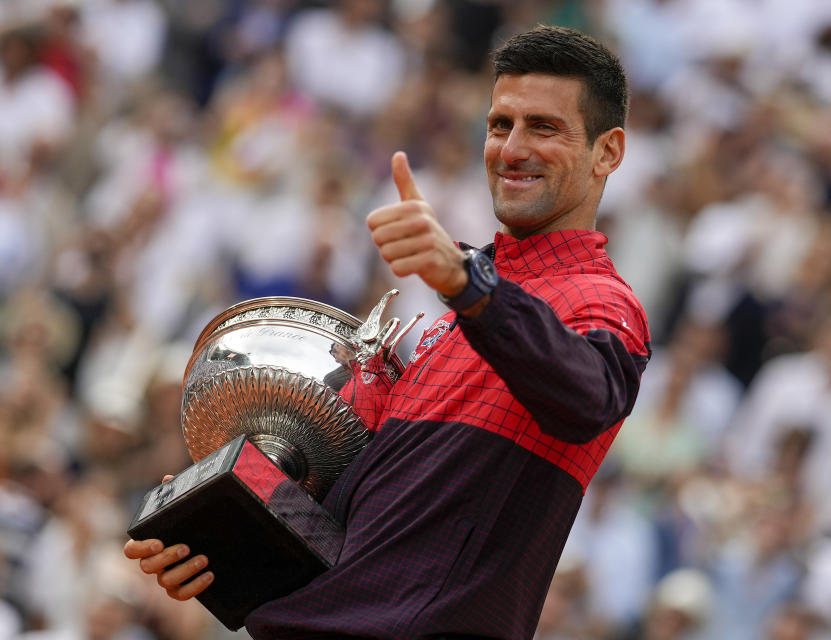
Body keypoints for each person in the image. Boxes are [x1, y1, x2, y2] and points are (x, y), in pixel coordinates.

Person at [124, 25, 652, 639]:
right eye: (500, 124)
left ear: (608, 152)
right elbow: (368, 535)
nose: (511, 149)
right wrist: (229, 524)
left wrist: (467, 283)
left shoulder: (600, 302)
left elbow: (586, 398)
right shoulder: (465, 315)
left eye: (544, 127)